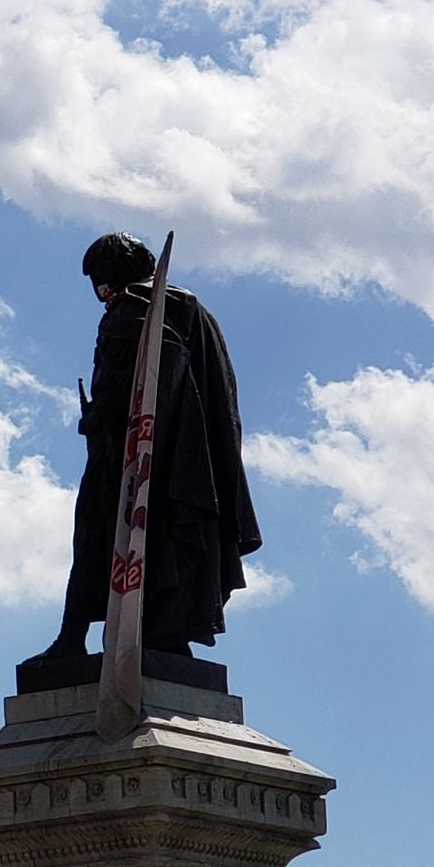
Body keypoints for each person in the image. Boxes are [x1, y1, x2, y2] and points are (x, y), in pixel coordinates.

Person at [32, 232, 262, 660]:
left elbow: (125, 392)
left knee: (95, 537)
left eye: (100, 283)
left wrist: (94, 418)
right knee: (162, 541)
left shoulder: (130, 309)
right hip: (188, 464)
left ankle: (70, 640)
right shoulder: (196, 312)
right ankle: (164, 631)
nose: (101, 295)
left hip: (127, 457)